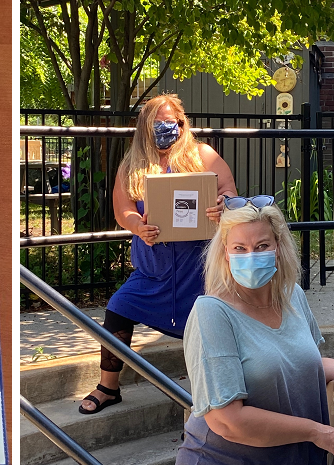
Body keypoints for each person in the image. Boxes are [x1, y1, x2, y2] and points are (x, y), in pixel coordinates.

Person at [176, 196, 334, 465]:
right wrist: (316, 432)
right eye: (240, 248)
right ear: (225, 252)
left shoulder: (292, 296)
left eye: (262, 246)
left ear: (278, 247)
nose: (251, 256)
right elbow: (228, 421)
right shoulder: (211, 312)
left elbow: (304, 364)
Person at [79, 94, 238, 414]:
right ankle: (108, 387)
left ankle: (219, 392)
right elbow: (123, 210)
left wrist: (224, 204)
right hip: (152, 269)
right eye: (157, 123)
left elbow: (229, 192)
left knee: (211, 328)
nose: (165, 128)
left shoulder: (203, 155)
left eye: (170, 122)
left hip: (199, 270)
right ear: (144, 126)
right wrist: (137, 225)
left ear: (182, 123)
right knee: (119, 308)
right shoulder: (132, 164)